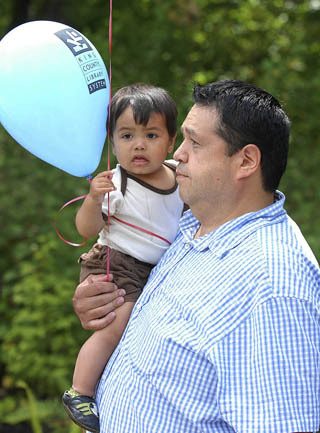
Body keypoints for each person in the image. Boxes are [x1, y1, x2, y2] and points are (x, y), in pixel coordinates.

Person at [72, 80, 320, 433]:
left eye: (195, 143)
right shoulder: (187, 225)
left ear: (246, 161)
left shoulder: (273, 284)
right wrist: (104, 302)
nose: (179, 154)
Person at [62, 83, 184, 433]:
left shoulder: (178, 175)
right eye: (127, 135)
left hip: (148, 268)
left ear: (171, 141)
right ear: (112, 143)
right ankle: (80, 390)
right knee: (118, 323)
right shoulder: (116, 183)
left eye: (151, 134)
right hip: (115, 260)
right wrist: (92, 201)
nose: (139, 145)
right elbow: (85, 229)